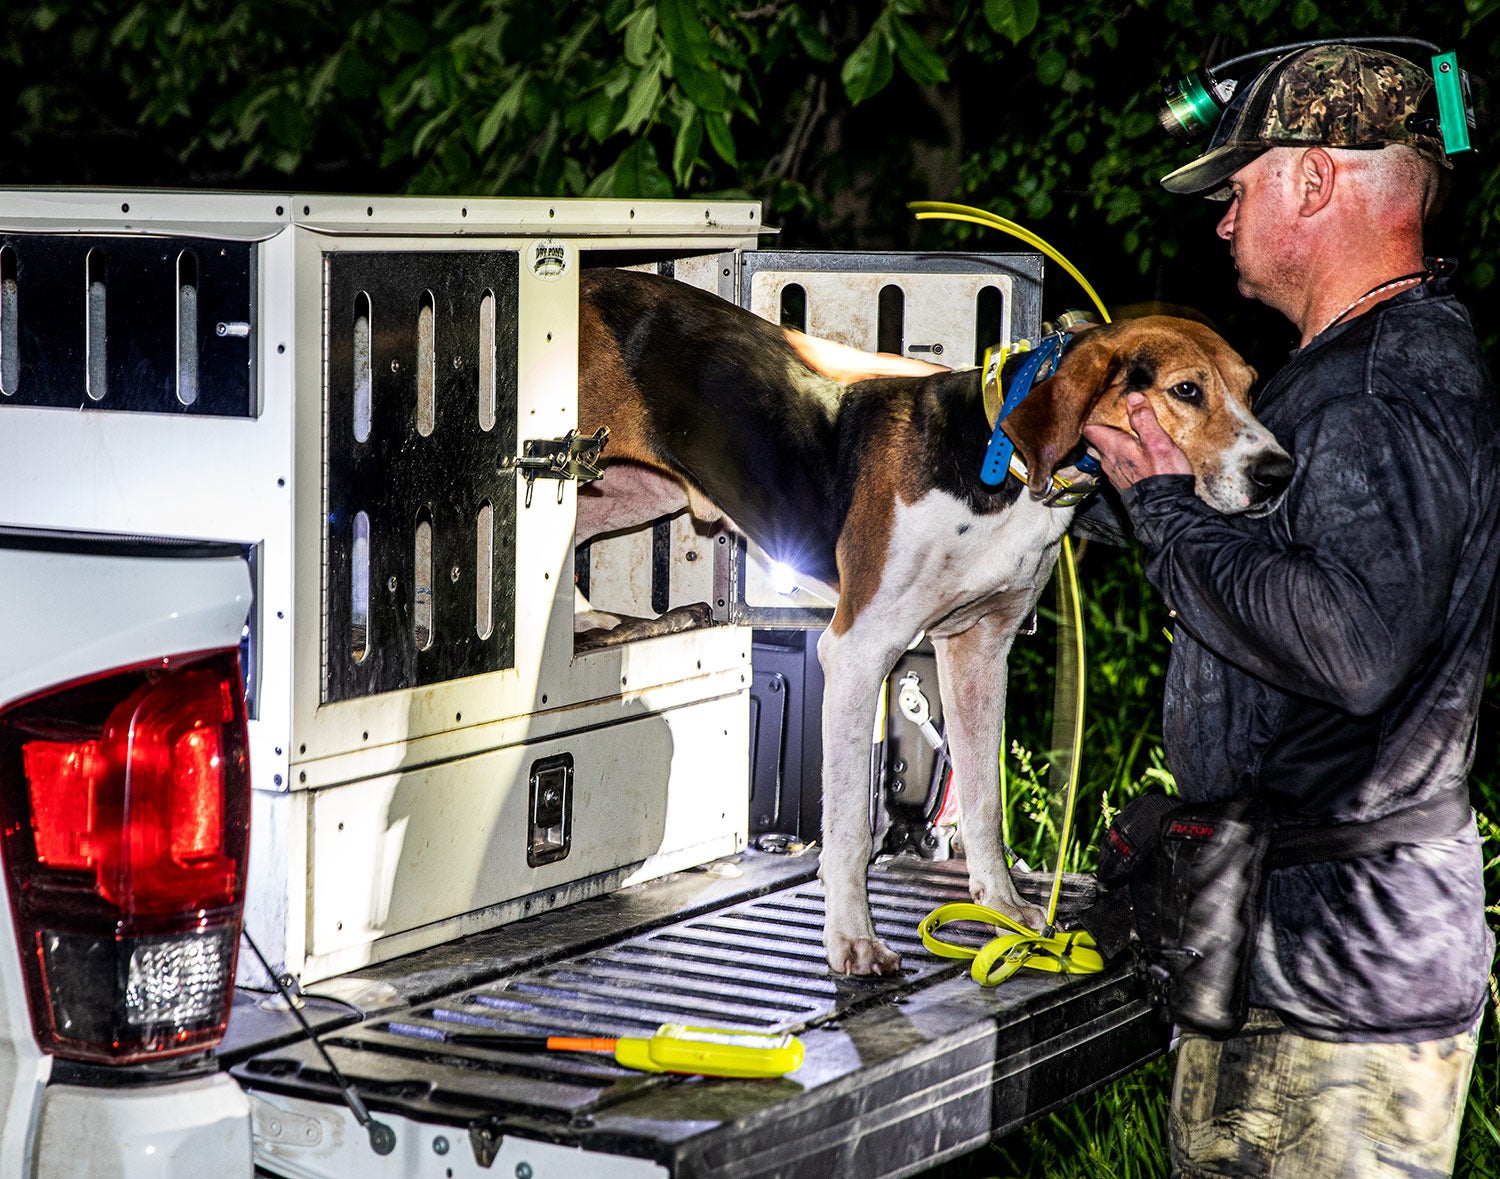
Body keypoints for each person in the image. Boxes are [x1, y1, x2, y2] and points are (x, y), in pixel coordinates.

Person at [1082, 44, 1499, 1176]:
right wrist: (1088, 481)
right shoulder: (1351, 371)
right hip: (1291, 960)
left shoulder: (1375, 391)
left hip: (1337, 994)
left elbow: (1352, 646)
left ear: (1315, 182)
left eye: (1242, 184)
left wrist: (1164, 511)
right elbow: (1261, 563)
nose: (1222, 220)